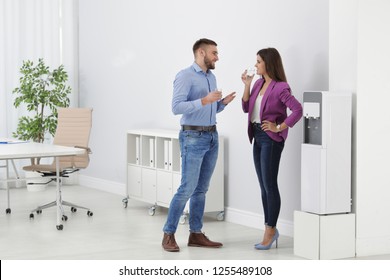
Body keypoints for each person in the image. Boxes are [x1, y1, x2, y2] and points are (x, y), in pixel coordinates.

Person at [162, 38, 236, 252]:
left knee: (201, 189)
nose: (217, 57)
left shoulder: (211, 77)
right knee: (187, 188)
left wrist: (220, 104)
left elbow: (209, 109)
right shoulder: (184, 76)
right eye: (214, 53)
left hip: (212, 136)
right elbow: (176, 107)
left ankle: (196, 233)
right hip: (192, 137)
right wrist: (204, 100)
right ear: (201, 53)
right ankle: (169, 234)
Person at [241, 48, 302, 250]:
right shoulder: (258, 83)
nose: (256, 65)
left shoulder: (281, 87)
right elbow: (246, 108)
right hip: (257, 136)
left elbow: (298, 110)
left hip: (271, 139)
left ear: (268, 63)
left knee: (270, 185)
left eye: (258, 61)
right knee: (263, 185)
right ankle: (269, 228)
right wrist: (247, 85)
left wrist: (279, 127)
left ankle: (270, 229)